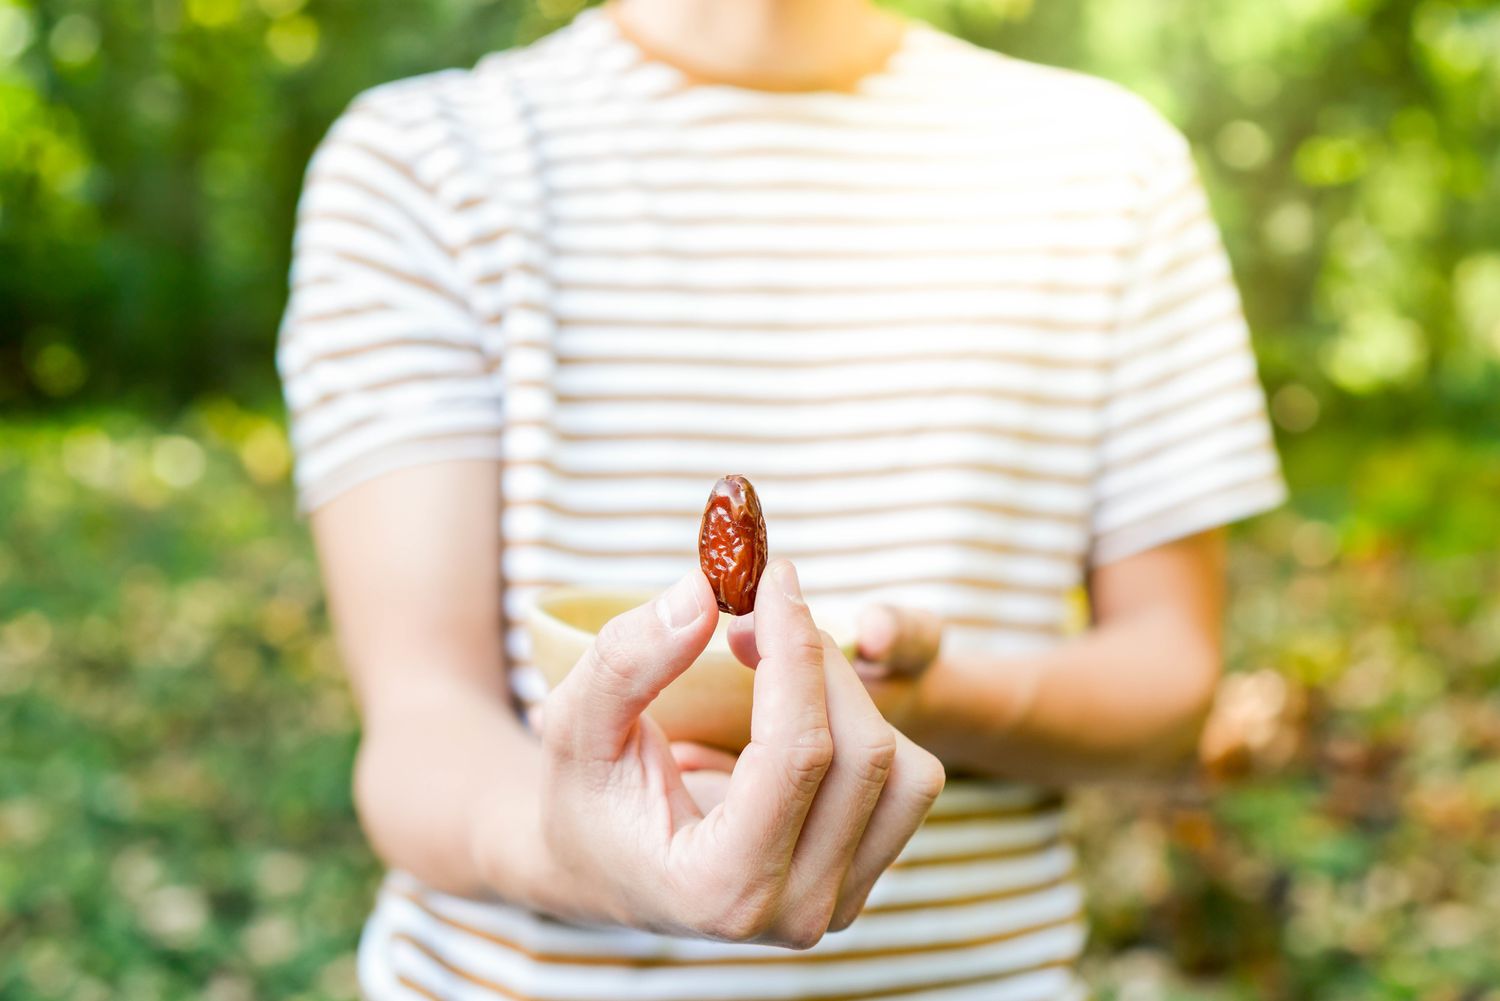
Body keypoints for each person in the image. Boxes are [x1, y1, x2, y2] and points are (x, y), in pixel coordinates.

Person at [275, 0, 1287, 996]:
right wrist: (574, 845)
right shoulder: (423, 160)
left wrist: (927, 700)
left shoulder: (1106, 168)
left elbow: (1169, 675)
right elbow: (420, 716)